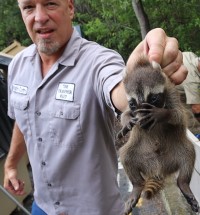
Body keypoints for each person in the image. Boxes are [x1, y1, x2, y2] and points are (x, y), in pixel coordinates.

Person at [3, 0, 187, 215]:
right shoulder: (18, 65)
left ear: (70, 8)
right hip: (42, 205)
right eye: (29, 7)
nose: (40, 16)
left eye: (50, 3)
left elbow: (119, 92)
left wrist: (139, 79)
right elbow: (22, 120)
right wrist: (11, 164)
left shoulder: (98, 61)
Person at [176, 52, 200, 135]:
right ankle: (194, 136)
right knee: (191, 121)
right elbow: (196, 108)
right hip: (173, 95)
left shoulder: (191, 56)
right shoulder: (192, 80)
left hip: (179, 85)